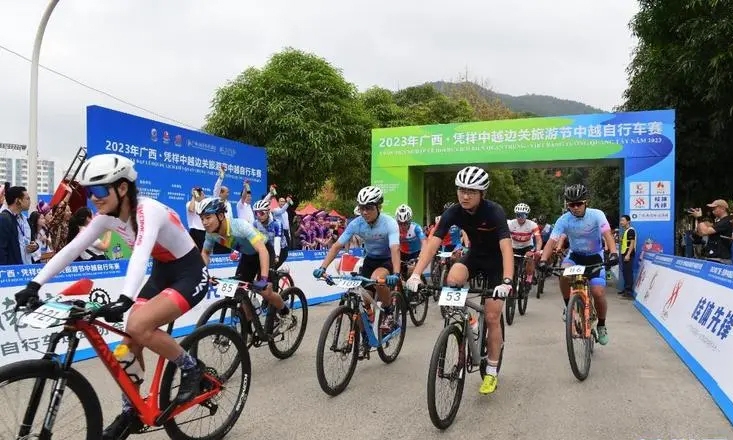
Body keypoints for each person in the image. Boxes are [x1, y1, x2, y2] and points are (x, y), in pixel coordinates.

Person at [13, 154, 209, 439]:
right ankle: (130, 412)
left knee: (138, 325)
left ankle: (192, 368)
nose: (94, 198)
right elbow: (71, 249)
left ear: (122, 188)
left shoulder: (147, 210)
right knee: (127, 346)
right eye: (89, 192)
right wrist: (34, 284)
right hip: (163, 272)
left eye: (99, 189)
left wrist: (126, 299)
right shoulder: (106, 217)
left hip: (190, 272)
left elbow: (140, 253)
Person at [406, 166, 514, 395]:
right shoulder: (453, 212)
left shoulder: (494, 211)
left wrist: (507, 281)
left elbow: (506, 247)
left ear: (482, 193)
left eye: (471, 192)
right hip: (474, 256)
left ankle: (491, 371)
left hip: (496, 262)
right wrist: (416, 274)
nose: (465, 196)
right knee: (453, 278)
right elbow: (433, 243)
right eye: (461, 190)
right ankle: (471, 322)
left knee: (492, 317)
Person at [312, 186, 401, 336]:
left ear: (379, 207)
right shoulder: (356, 223)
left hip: (387, 260)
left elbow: (395, 249)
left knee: (377, 279)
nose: (365, 212)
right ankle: (366, 334)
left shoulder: (389, 223)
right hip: (370, 260)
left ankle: (389, 311)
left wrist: (396, 273)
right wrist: (323, 267)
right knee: (362, 298)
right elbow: (337, 246)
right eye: (361, 208)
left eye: (369, 208)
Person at [538, 184, 618, 346]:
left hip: (595, 257)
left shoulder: (597, 215)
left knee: (598, 292)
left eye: (578, 203)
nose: (575, 207)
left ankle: (601, 325)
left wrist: (614, 252)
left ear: (586, 202)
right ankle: (569, 307)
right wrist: (543, 260)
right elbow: (552, 241)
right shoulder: (563, 220)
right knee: (564, 274)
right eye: (571, 204)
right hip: (575, 256)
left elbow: (607, 235)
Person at [196, 197, 293, 328]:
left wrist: (263, 279)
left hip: (264, 251)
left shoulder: (240, 226)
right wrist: (203, 274)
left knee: (266, 292)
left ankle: (284, 310)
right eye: (202, 219)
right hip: (248, 256)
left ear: (220, 216)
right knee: (239, 289)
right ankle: (248, 328)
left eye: (208, 217)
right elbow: (205, 254)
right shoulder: (210, 234)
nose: (204, 222)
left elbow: (262, 250)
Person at [507, 203, 542, 285]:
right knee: (509, 261)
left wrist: (537, 251)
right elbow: (504, 237)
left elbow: (538, 239)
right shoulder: (510, 224)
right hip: (514, 246)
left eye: (523, 215)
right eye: (518, 215)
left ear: (527, 215)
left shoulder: (532, 224)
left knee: (529, 258)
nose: (520, 217)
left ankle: (529, 276)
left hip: (527, 246)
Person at [252, 199, 289, 270]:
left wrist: (276, 256)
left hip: (281, 249)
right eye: (256, 213)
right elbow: (249, 237)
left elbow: (277, 241)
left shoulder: (276, 223)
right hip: (267, 247)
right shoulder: (255, 223)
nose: (258, 216)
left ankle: (281, 272)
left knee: (269, 270)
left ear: (268, 212)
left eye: (261, 213)